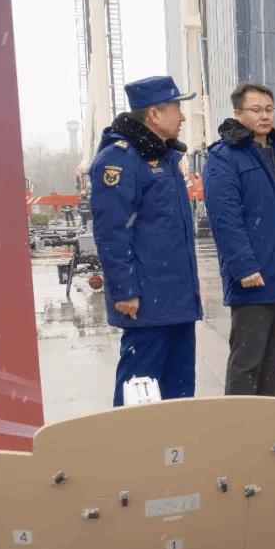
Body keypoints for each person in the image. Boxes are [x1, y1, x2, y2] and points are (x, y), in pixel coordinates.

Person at [89, 76, 202, 406]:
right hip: (148, 301)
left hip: (177, 299)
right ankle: (130, 443)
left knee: (179, 390)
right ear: (154, 114)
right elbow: (111, 232)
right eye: (177, 108)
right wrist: (124, 290)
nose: (183, 117)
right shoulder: (119, 160)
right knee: (138, 391)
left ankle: (174, 439)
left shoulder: (165, 158)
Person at [203, 82, 275, 397]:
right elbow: (225, 218)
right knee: (247, 363)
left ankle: (268, 422)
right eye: (256, 110)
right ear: (238, 113)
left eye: (269, 109)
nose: (264, 116)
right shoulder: (224, 156)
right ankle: (241, 424)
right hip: (253, 278)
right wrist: (243, 266)